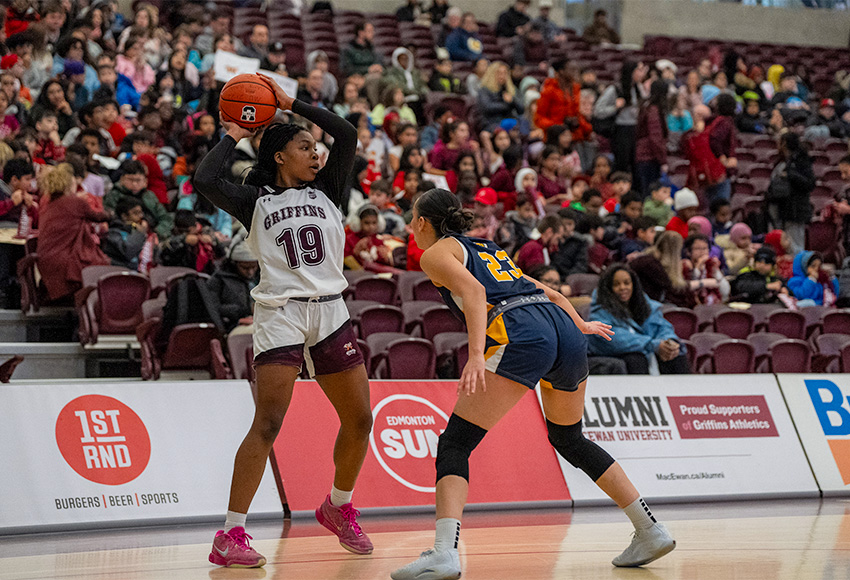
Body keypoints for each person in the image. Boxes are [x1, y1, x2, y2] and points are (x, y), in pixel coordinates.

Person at [391, 189, 674, 580]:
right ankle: (650, 529)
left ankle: (443, 553)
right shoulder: (486, 246)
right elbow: (549, 290)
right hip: (561, 328)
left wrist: (475, 355)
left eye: (412, 220)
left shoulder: (436, 252)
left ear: (422, 223)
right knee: (569, 438)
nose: (410, 228)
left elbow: (473, 293)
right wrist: (581, 325)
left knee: (455, 443)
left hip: (523, 332)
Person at [194, 74, 374, 568]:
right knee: (268, 422)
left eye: (317, 148)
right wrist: (234, 133)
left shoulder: (332, 189)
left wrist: (291, 103)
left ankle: (338, 507)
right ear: (278, 156)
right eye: (304, 146)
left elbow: (347, 133)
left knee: (361, 420)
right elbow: (206, 181)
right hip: (281, 315)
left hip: (332, 313)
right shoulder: (254, 202)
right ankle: (230, 534)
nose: (317, 154)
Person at [588, 264, 690, 375]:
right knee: (636, 358)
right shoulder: (599, 311)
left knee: (676, 355)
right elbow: (614, 338)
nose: (623, 287)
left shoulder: (645, 305)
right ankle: (642, 392)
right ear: (608, 288)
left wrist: (669, 341)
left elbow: (662, 326)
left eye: (627, 283)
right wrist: (652, 345)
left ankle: (684, 392)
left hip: (646, 348)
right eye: (616, 284)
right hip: (615, 353)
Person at [36, 164, 111, 302]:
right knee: (102, 265)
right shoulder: (75, 202)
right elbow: (99, 217)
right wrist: (111, 213)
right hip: (65, 260)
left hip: (46, 259)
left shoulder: (47, 203)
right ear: (68, 183)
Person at [767, 132, 815, 253]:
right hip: (782, 208)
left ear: (785, 144)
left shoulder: (801, 160)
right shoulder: (783, 161)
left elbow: (809, 184)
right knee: (783, 245)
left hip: (796, 210)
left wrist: (790, 175)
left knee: (795, 245)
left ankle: (797, 269)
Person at [634, 80, 669, 197]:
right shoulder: (653, 111)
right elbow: (655, 138)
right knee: (651, 194)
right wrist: (662, 160)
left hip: (645, 156)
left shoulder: (647, 107)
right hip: (649, 157)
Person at [477, 61, 523, 132]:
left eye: (505, 73)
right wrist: (507, 105)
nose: (502, 76)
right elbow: (487, 107)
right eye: (499, 73)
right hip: (491, 122)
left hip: (508, 120)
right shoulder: (484, 90)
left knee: (523, 123)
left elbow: (521, 110)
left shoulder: (510, 90)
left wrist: (512, 101)